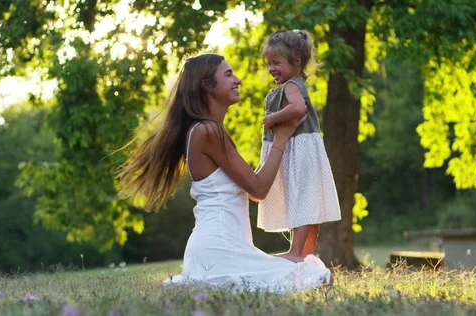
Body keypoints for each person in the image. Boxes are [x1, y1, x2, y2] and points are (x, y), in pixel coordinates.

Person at [116, 53, 330, 292]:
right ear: (207, 86)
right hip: (220, 250)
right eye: (228, 75)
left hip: (219, 249)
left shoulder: (207, 130)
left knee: (306, 271)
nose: (237, 80)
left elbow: (252, 187)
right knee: (315, 276)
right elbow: (258, 190)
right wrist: (281, 137)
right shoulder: (208, 131)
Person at [257, 29, 341, 263]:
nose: (271, 68)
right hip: (299, 149)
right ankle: (306, 253)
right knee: (307, 201)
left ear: (296, 61)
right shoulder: (288, 85)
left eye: (276, 63)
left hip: (299, 149)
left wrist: (273, 119)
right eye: (269, 63)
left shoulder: (292, 86)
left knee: (302, 200)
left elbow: (298, 109)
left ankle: (296, 253)